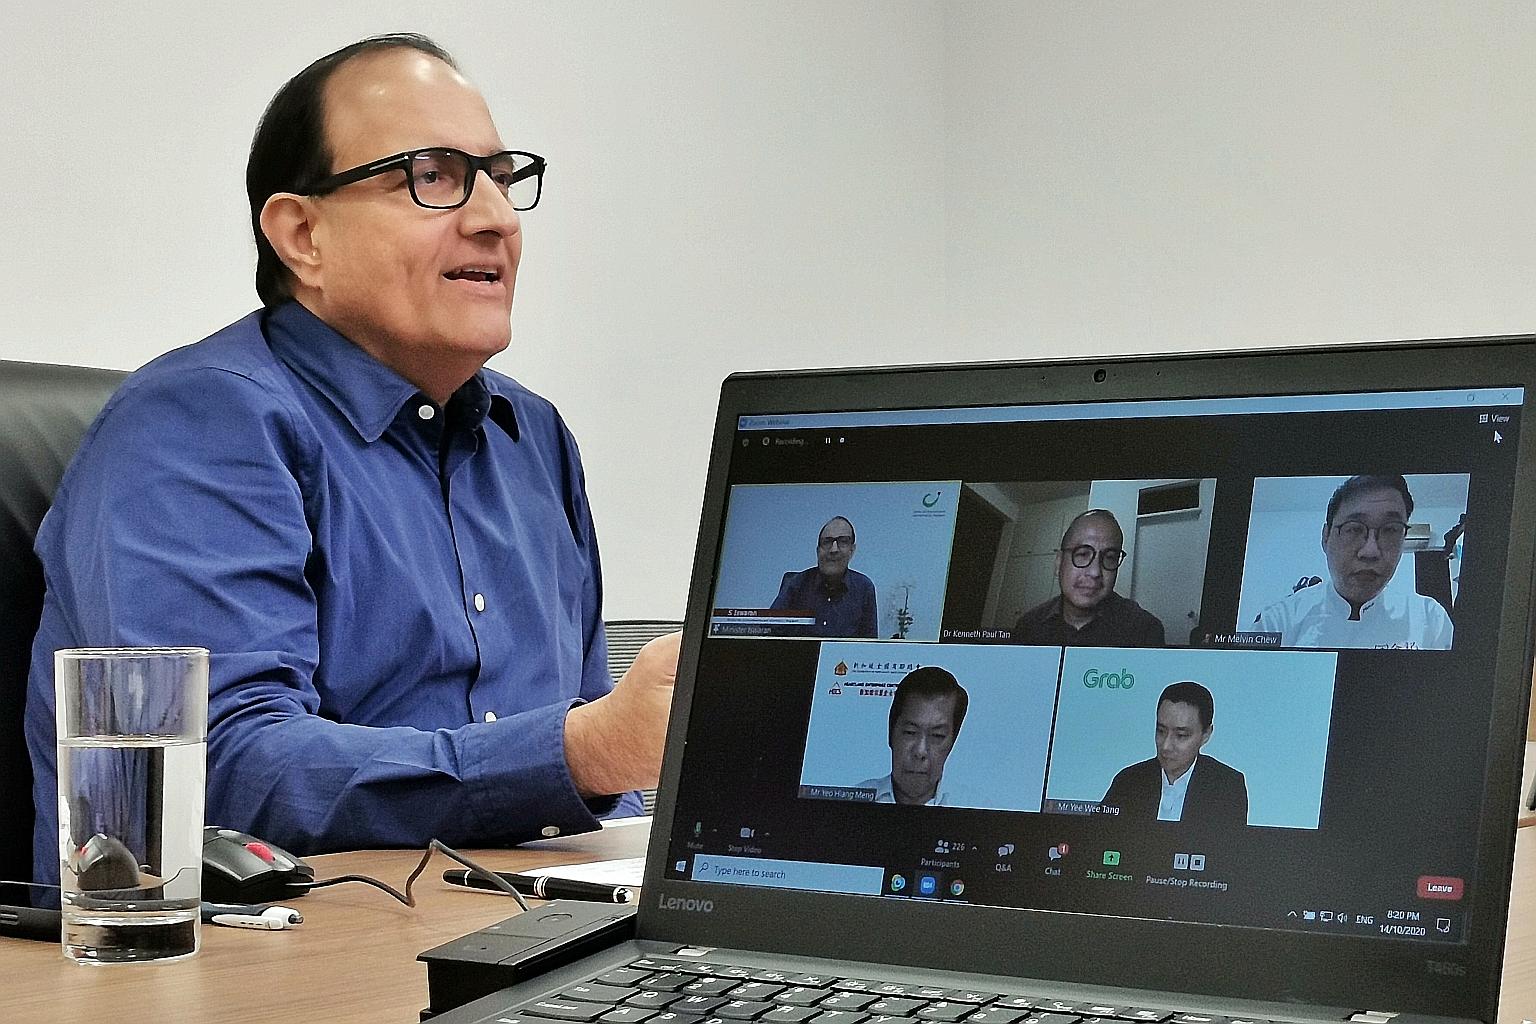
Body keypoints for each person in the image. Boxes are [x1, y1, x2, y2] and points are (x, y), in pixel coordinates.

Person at [23, 34, 679, 885]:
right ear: (303, 234)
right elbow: (216, 774)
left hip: (519, 935)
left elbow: (596, 781)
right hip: (263, 969)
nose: (495, 218)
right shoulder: (200, 424)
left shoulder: (535, 436)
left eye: (501, 179)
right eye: (434, 177)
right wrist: (581, 751)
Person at [1253, 475, 1453, 650]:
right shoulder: (1277, 621)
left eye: (1391, 529)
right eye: (1353, 529)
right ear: (1326, 537)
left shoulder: (1431, 618)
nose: (1370, 552)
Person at [1101, 682, 1247, 826]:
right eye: (1161, 731)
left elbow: (1226, 846)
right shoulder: (1128, 781)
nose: (1166, 746)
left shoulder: (1227, 786)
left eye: (1181, 735)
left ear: (1206, 735)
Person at [1012, 510, 1164, 646]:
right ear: (1059, 562)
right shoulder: (1028, 626)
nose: (1095, 572)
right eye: (1083, 554)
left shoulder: (1144, 630)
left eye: (1109, 557)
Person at [857, 666, 967, 805]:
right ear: (891, 734)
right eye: (910, 732)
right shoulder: (851, 800)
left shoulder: (977, 806)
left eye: (937, 735)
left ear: (952, 742)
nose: (920, 751)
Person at [770, 516, 878, 638]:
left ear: (852, 550)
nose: (833, 549)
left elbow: (870, 644)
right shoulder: (796, 583)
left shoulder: (864, 588)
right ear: (818, 550)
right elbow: (770, 631)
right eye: (827, 542)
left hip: (842, 657)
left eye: (842, 541)